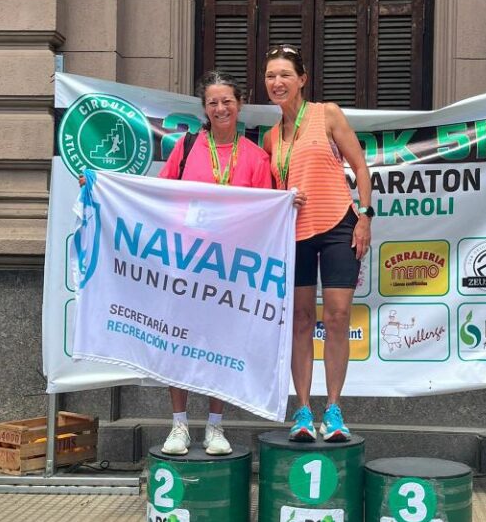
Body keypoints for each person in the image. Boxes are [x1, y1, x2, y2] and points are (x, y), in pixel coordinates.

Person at [158, 70, 273, 456]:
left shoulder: (256, 157)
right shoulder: (187, 147)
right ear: (204, 109)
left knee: (221, 346)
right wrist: (105, 185)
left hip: (230, 268)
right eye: (213, 102)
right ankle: (178, 426)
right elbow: (156, 193)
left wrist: (291, 201)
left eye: (227, 101)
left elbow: (267, 213)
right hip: (186, 262)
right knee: (178, 342)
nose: (220, 108)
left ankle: (214, 427)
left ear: (240, 104)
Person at [263, 44, 373, 443]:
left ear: (302, 80)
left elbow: (360, 166)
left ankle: (335, 410)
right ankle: (304, 411)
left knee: (338, 316)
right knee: (301, 320)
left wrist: (365, 216)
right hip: (294, 234)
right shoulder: (271, 137)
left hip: (339, 225)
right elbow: (270, 193)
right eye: (270, 76)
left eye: (285, 75)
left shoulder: (327, 114)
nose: (277, 82)